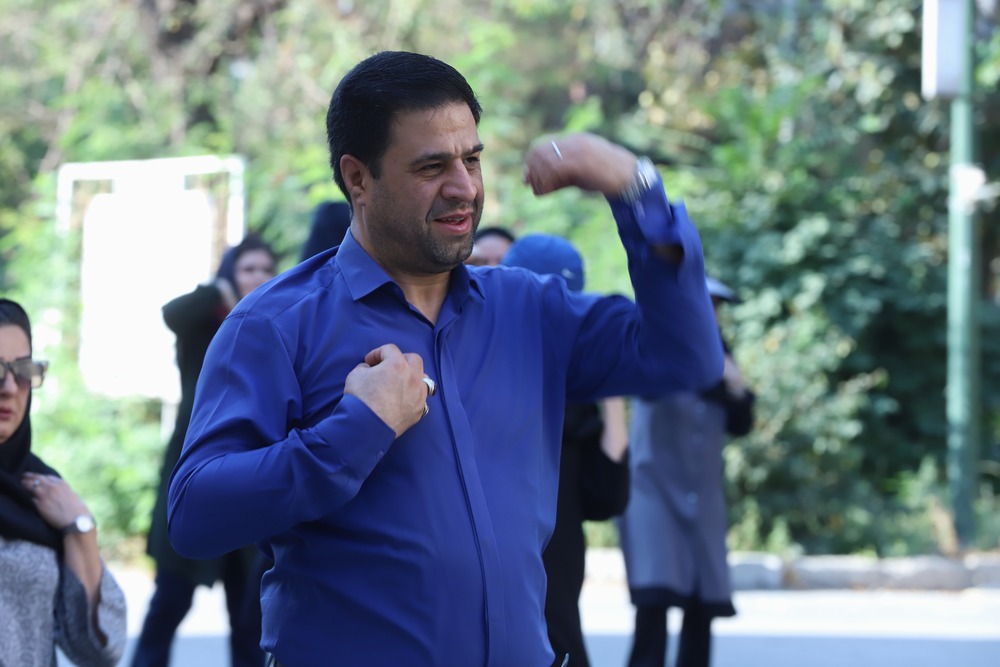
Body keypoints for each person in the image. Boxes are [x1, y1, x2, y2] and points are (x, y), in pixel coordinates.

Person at [167, 50, 723, 667]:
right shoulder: (274, 325)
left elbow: (688, 359)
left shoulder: (531, 309)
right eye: (432, 166)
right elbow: (195, 516)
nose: (464, 188)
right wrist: (356, 431)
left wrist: (637, 190)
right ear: (357, 178)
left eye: (472, 159)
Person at [131, 234, 276, 667]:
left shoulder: (275, 324)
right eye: (248, 269)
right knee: (169, 602)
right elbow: (172, 313)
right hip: (193, 478)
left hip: (248, 483)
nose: (259, 277)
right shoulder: (204, 323)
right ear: (231, 273)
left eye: (266, 270)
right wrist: (220, 291)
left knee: (248, 619)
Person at [502, 234, 631, 667]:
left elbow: (606, 497)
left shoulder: (577, 388)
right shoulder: (476, 372)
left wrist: (610, 390)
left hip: (556, 565)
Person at [617, 276, 755, 667]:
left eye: (716, 307)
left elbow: (741, 423)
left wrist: (737, 387)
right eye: (703, 304)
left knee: (701, 600)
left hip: (703, 500)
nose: (710, 313)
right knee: (655, 598)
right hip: (654, 492)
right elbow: (648, 385)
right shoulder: (656, 348)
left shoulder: (723, 359)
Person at [0, 298, 127, 666]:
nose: (9, 387)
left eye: (23, 370)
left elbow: (99, 650)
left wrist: (80, 528)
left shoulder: (41, 491)